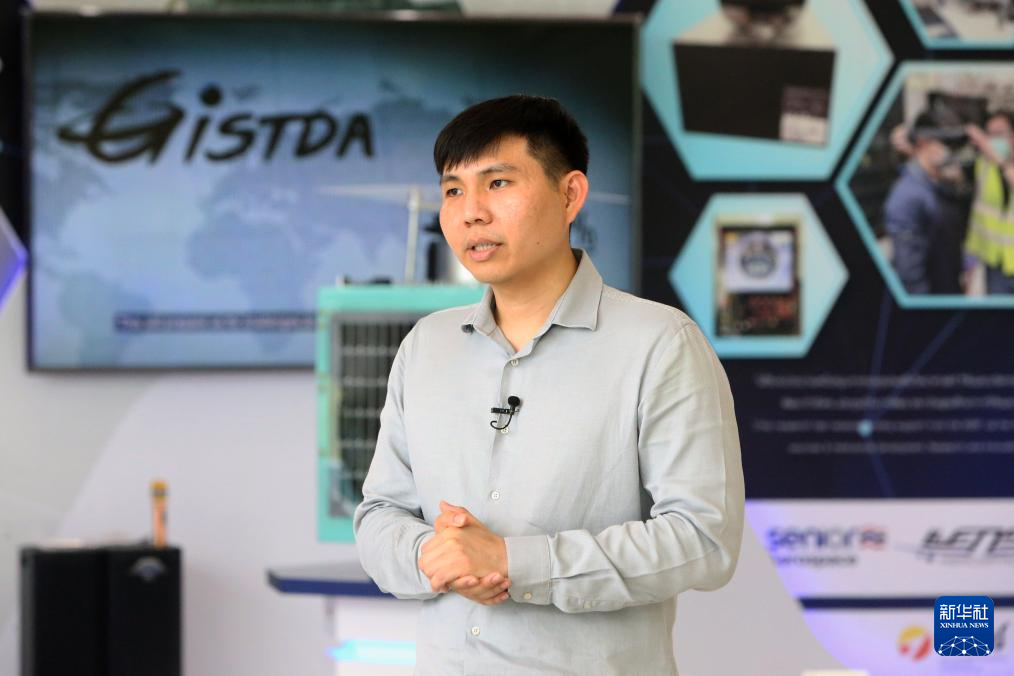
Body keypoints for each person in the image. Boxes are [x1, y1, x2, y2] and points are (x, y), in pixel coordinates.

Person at [352, 95, 744, 675]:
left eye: (498, 183)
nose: (471, 213)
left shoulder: (660, 343)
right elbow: (380, 512)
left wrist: (516, 563)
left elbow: (703, 539)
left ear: (570, 195)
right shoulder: (426, 346)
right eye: (453, 190)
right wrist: (434, 555)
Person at [883, 110, 968, 295]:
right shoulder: (908, 196)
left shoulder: (939, 185)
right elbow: (910, 274)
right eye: (946, 143)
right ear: (923, 142)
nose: (951, 152)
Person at [964, 110, 1014, 295]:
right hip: (996, 265)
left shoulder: (996, 161)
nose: (992, 141)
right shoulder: (984, 164)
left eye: (999, 134)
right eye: (989, 135)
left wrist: (999, 161)